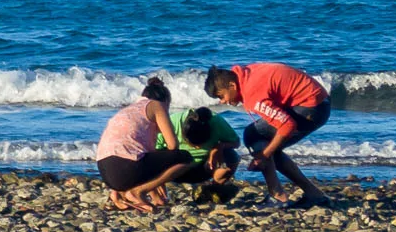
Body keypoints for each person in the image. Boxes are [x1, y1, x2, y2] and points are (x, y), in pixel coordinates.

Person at [206, 61, 333, 207]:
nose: (223, 102)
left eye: (221, 96)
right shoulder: (245, 74)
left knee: (254, 136)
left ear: (232, 86)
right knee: (267, 143)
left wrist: (264, 155)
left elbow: (287, 125)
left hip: (313, 108)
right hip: (317, 100)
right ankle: (312, 194)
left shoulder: (253, 93)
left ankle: (278, 195)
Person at [93, 77, 193, 211]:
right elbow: (173, 145)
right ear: (166, 101)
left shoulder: (129, 110)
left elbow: (146, 159)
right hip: (126, 168)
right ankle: (137, 192)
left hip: (105, 171)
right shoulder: (156, 105)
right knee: (185, 157)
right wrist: (159, 181)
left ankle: (118, 193)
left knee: (145, 159)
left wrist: (157, 194)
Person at [165, 105, 244, 205]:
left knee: (231, 156)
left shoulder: (216, 121)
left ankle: (213, 188)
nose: (197, 148)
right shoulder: (173, 122)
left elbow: (236, 143)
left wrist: (218, 147)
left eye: (201, 144)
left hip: (206, 168)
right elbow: (153, 151)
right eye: (193, 145)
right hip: (176, 171)